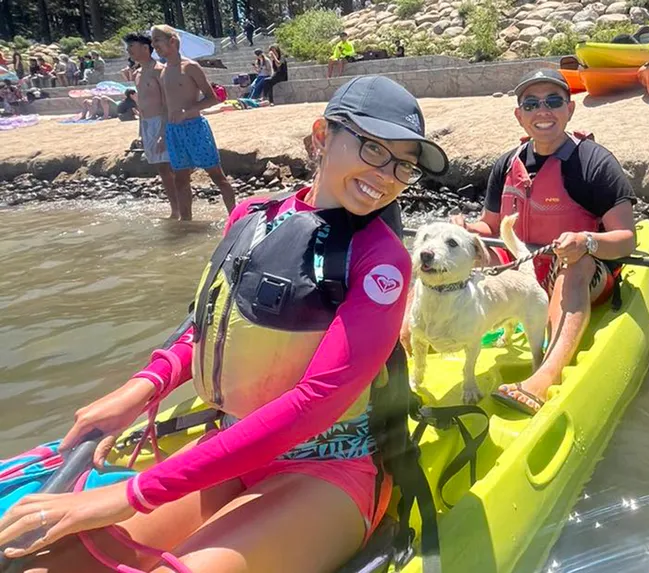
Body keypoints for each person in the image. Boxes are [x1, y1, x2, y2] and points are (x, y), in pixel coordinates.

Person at [0, 74, 449, 573]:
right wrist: (138, 392)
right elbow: (212, 323)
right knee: (53, 560)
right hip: (232, 445)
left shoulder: (381, 262)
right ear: (323, 135)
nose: (387, 174)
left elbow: (317, 402)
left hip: (327, 466)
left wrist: (136, 493)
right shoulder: (253, 216)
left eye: (403, 164)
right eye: (373, 149)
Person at [439, 69, 636, 416]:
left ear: (569, 109)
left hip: (579, 272)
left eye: (553, 101)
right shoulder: (506, 164)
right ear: (519, 115)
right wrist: (466, 230)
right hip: (523, 266)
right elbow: (492, 226)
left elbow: (625, 239)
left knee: (578, 263)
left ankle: (545, 376)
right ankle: (420, 335)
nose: (542, 111)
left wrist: (586, 241)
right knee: (458, 252)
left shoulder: (594, 163)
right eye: (531, 104)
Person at [151, 24, 236, 220]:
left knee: (217, 176)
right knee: (180, 180)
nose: (154, 45)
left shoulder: (189, 67)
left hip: (195, 128)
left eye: (157, 40)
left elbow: (213, 97)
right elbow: (166, 107)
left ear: (172, 41)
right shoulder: (163, 71)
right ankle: (186, 223)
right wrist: (163, 135)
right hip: (174, 131)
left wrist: (188, 111)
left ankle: (234, 218)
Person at [125, 31, 181, 220]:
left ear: (144, 48)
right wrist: (141, 131)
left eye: (132, 46)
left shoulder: (159, 70)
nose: (128, 50)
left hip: (161, 121)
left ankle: (179, 209)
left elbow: (167, 102)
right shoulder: (138, 73)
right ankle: (175, 207)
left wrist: (163, 133)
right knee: (161, 168)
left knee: (169, 167)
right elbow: (141, 104)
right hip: (147, 123)